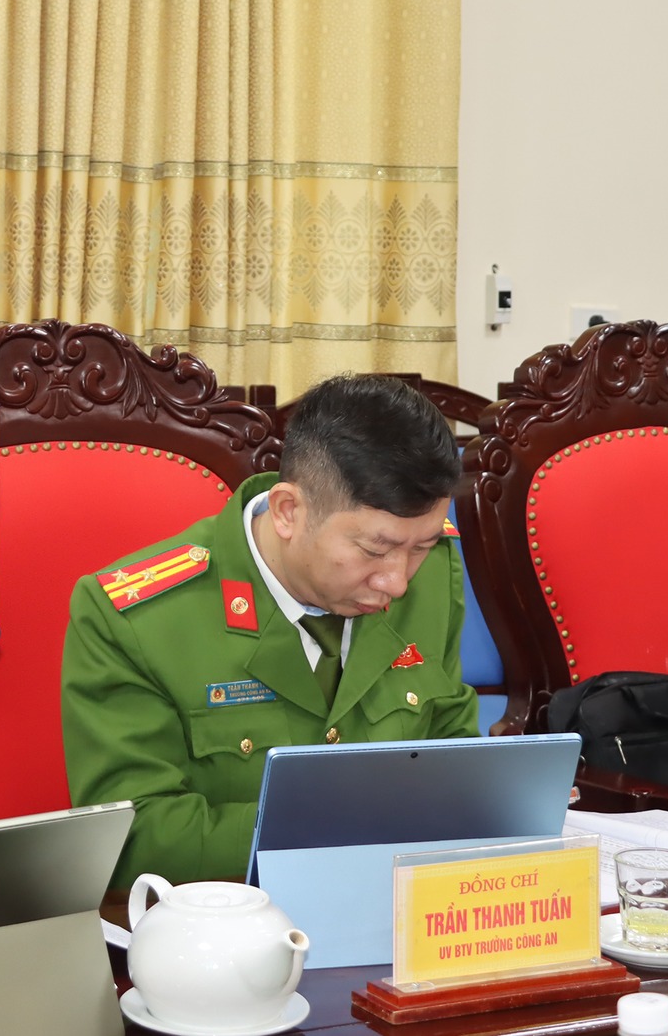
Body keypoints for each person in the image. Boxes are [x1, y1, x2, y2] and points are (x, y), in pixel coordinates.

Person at [60, 375, 481, 886]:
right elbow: (134, 837)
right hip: (227, 920)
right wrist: (337, 826)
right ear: (288, 512)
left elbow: (453, 749)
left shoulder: (434, 573)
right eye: (375, 550)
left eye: (421, 547)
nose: (397, 581)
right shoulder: (136, 619)